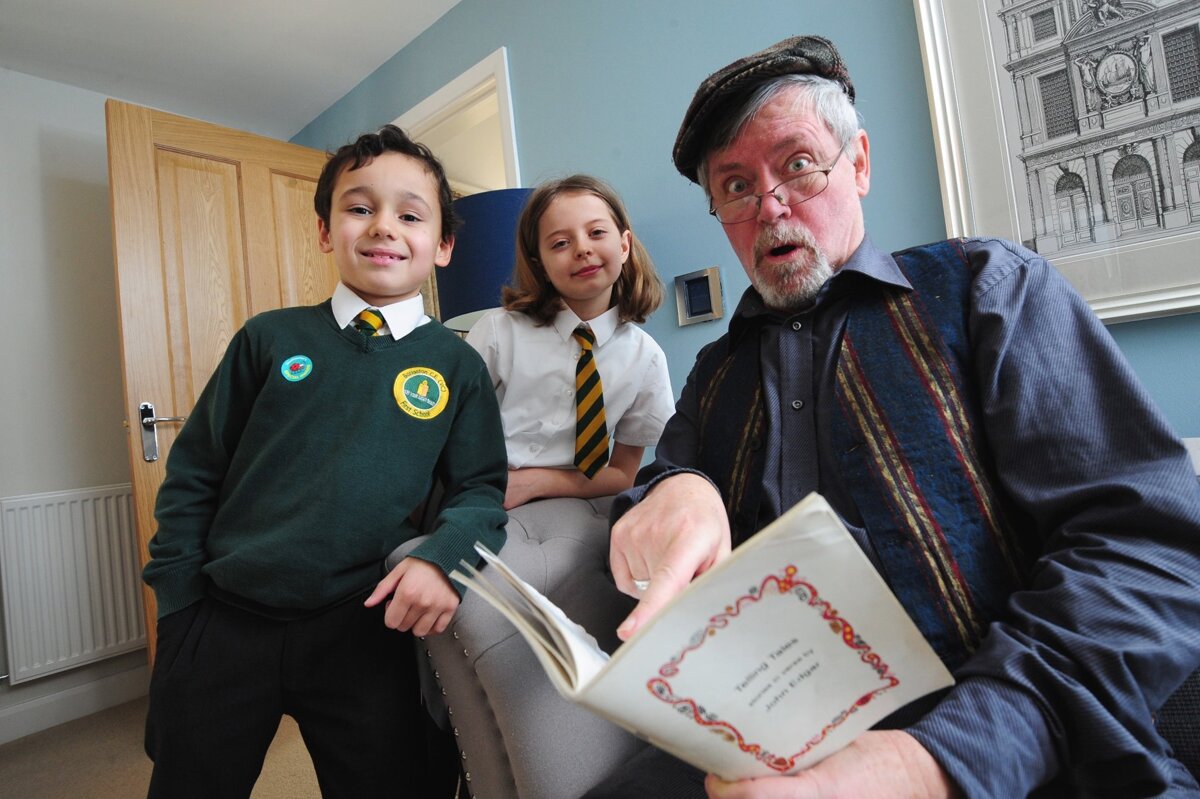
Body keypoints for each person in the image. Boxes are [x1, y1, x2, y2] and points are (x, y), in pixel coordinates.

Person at [596, 35, 1200, 798]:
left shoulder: (992, 291)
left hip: (1032, 758)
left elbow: (1145, 549)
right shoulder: (715, 373)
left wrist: (932, 763)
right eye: (737, 186)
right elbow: (662, 480)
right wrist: (674, 489)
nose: (771, 204)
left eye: (798, 163)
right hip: (760, 745)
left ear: (860, 164)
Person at [141, 124, 508, 798]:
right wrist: (178, 603)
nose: (382, 228)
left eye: (410, 213)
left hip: (361, 626)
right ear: (325, 230)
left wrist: (443, 555)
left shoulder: (459, 366)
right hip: (224, 617)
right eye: (359, 207)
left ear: (444, 245)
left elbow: (481, 489)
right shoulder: (268, 338)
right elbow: (194, 472)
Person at [467, 175, 674, 509]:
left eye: (596, 233)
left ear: (624, 246)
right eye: (560, 243)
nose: (582, 249)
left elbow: (623, 473)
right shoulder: (497, 332)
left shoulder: (646, 358)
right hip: (482, 493)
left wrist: (537, 482)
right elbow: (451, 434)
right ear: (541, 264)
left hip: (572, 499)